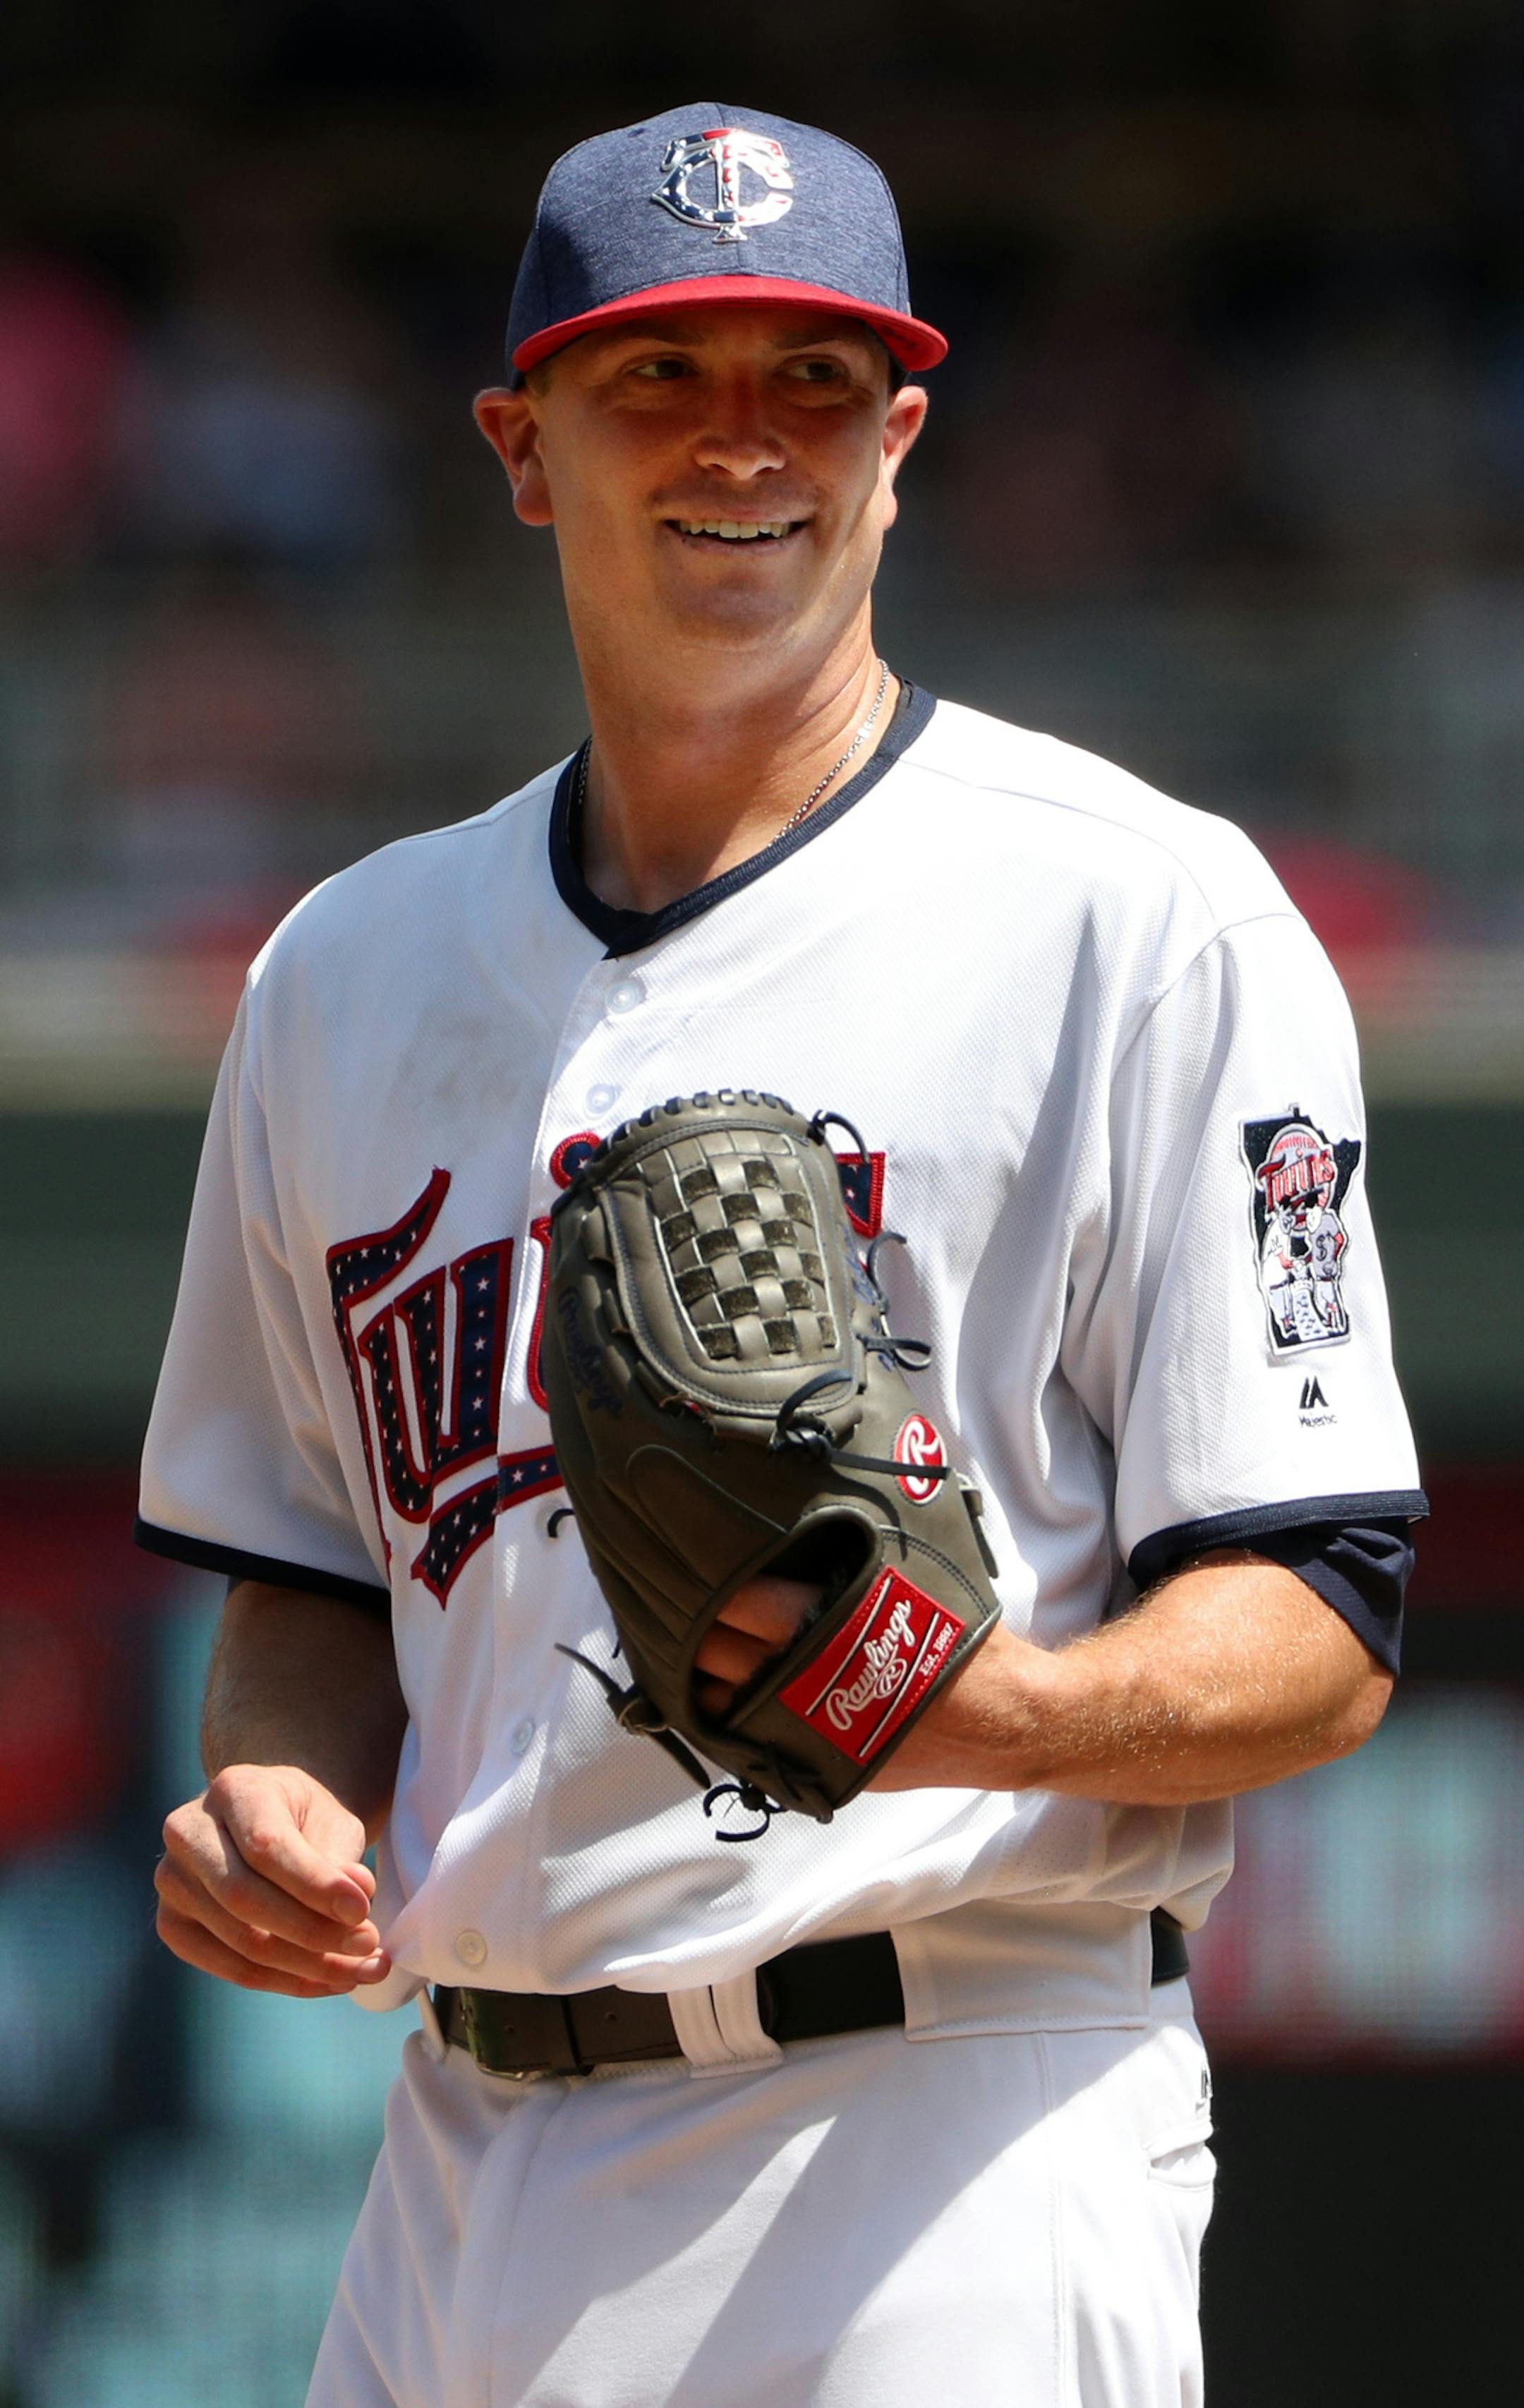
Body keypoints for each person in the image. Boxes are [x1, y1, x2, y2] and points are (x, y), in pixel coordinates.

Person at [142, 107, 1425, 2408]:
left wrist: (989, 1713)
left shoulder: (1136, 914)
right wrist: (279, 1799)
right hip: (454, 2155)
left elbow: (1317, 1612)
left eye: (815, 378)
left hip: (942, 2121)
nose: (746, 440)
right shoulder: (340, 971)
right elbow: (314, 1584)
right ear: (522, 447)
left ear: (902, 440)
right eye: (659, 374)